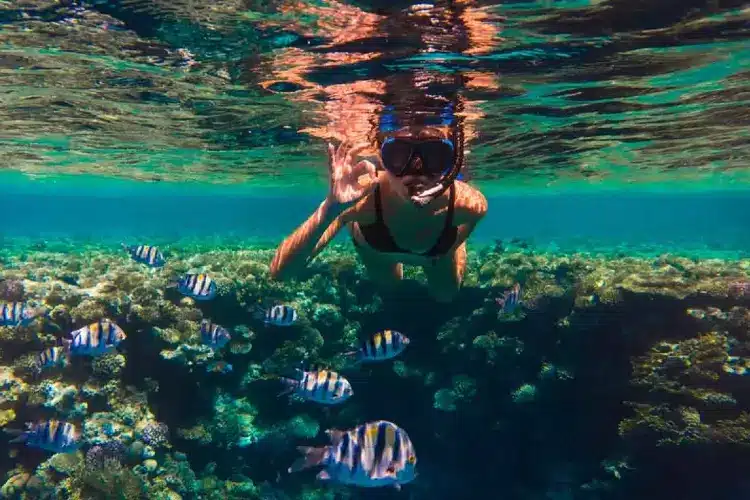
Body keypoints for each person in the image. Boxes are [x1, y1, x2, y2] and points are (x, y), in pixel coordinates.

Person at [270, 104, 487, 302]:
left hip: (436, 256)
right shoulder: (362, 198)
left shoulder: (469, 206)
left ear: (452, 161)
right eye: (399, 155)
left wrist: (447, 247)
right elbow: (280, 274)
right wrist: (331, 208)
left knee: (446, 295)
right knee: (390, 287)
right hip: (376, 252)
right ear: (382, 158)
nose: (417, 169)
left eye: (435, 155)